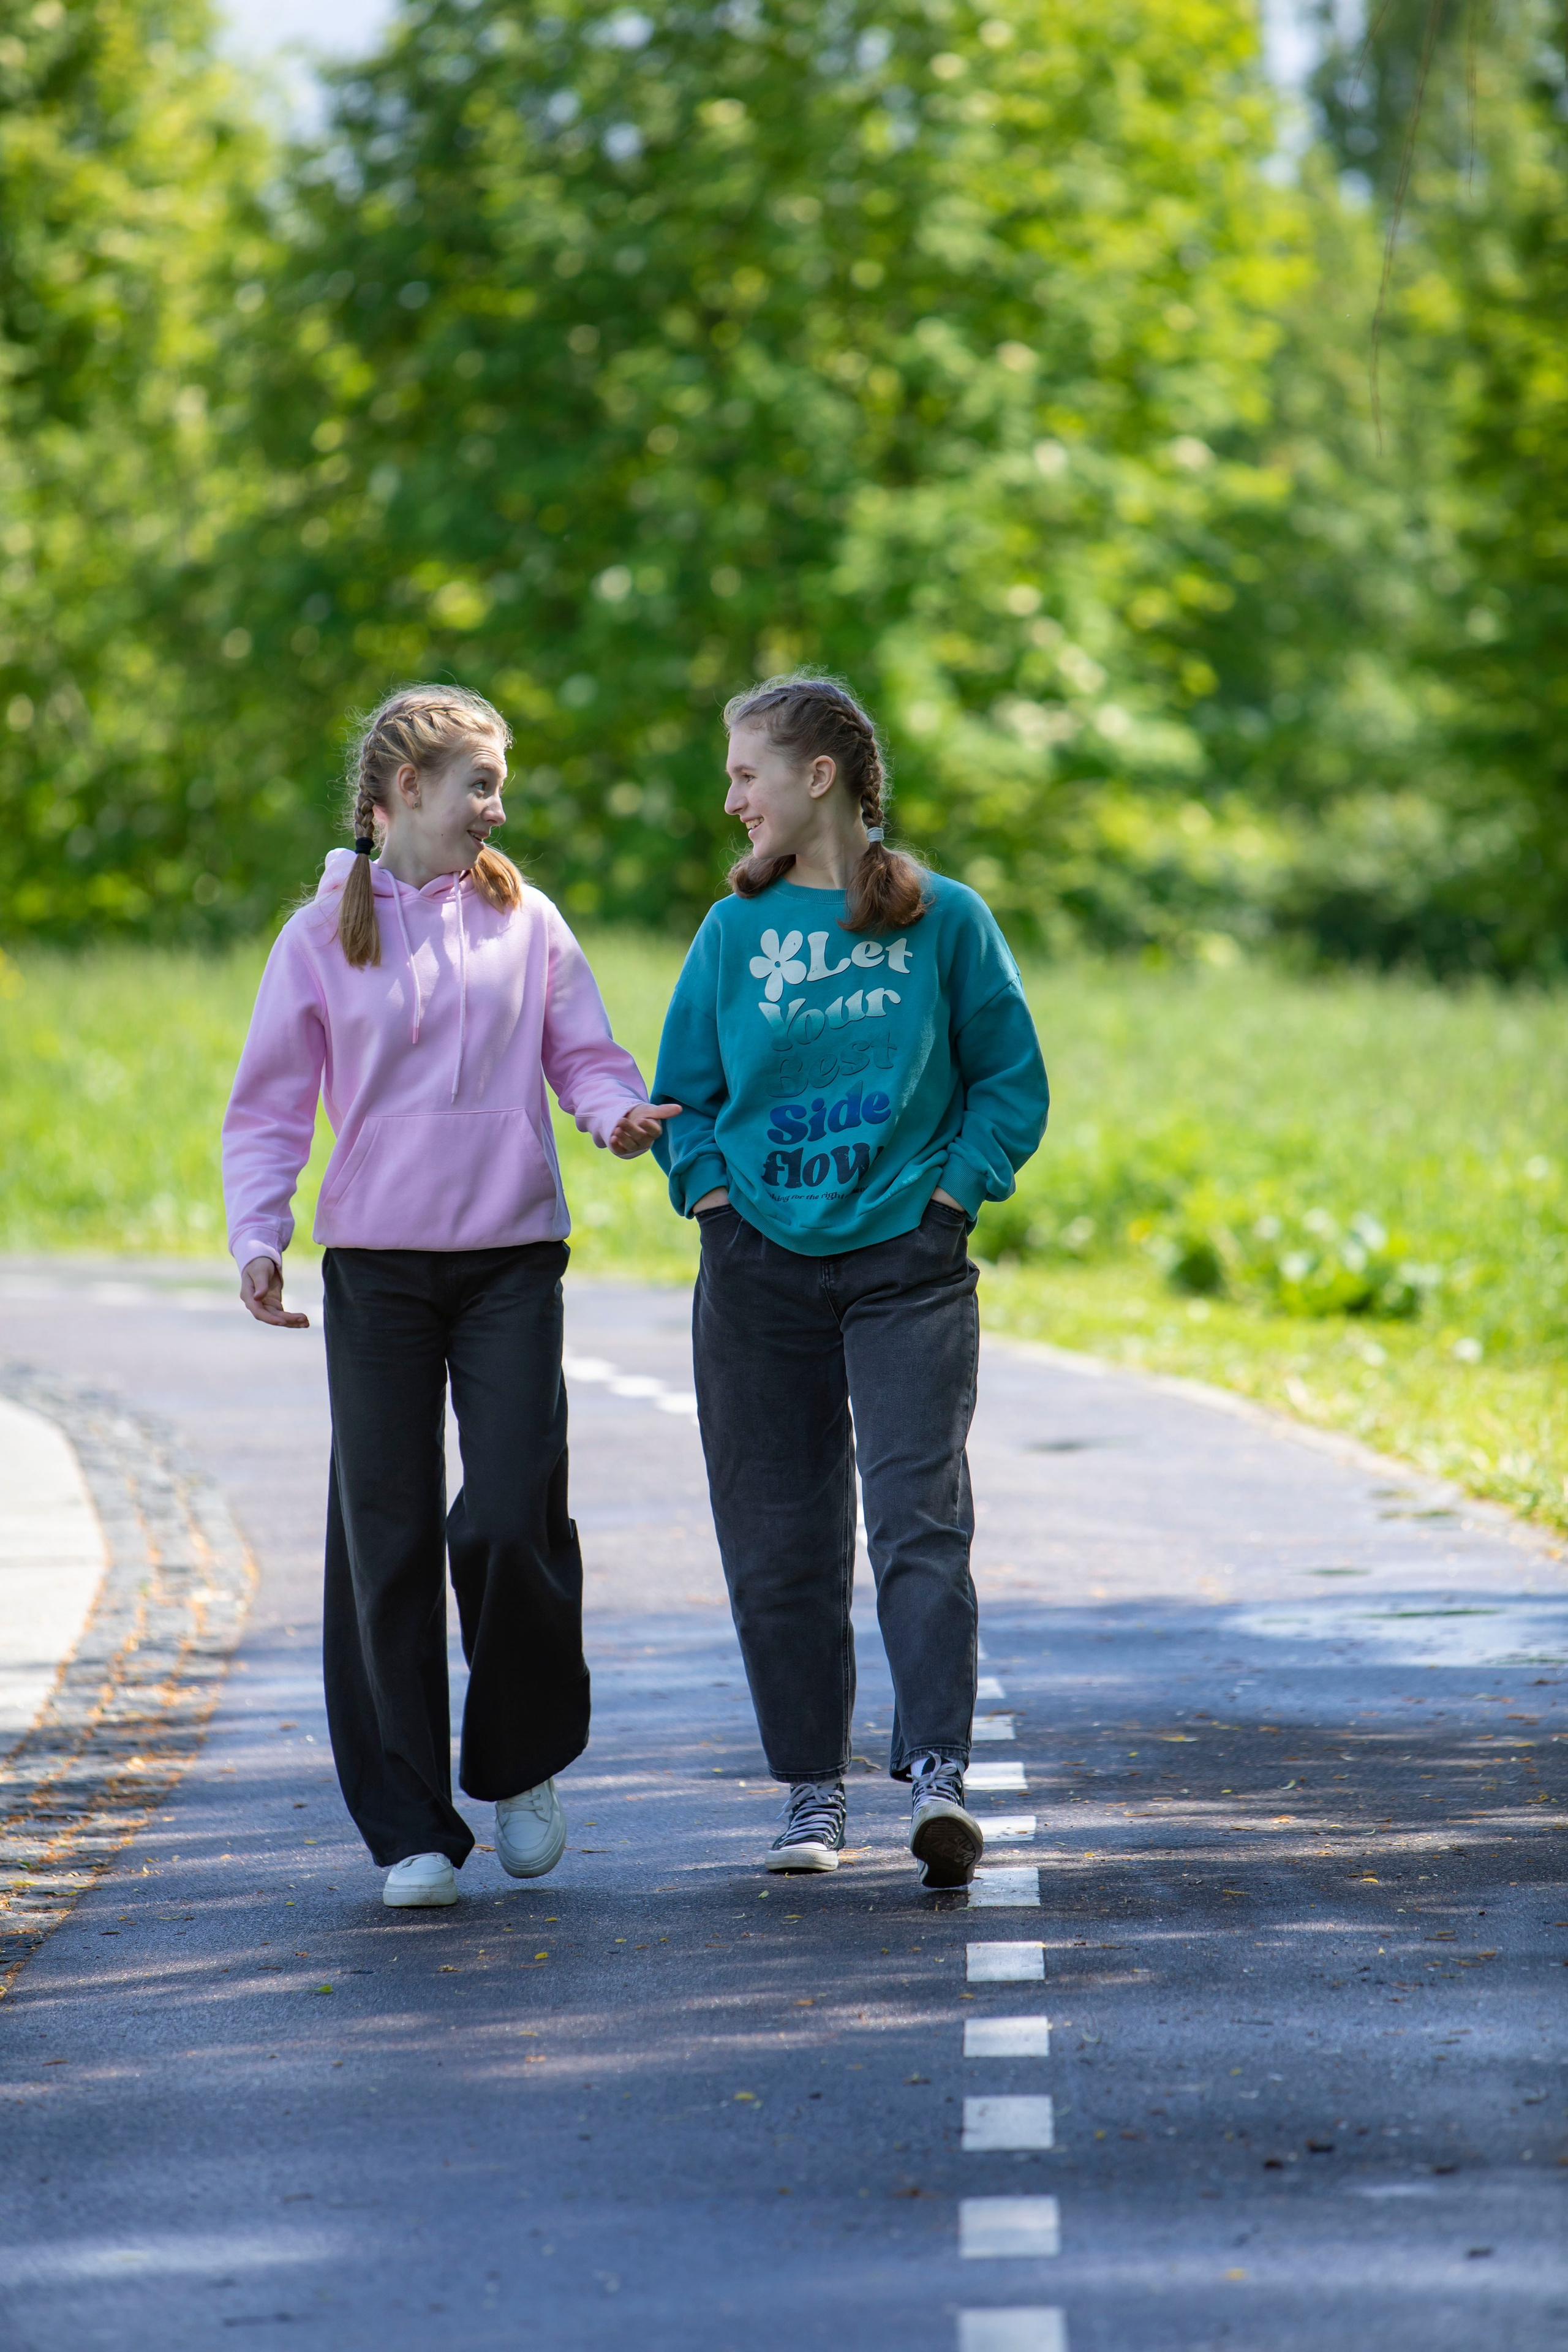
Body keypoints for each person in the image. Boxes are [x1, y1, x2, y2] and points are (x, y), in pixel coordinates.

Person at [222, 685, 675, 1909]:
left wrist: (613, 1115)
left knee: (510, 1508)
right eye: (478, 782)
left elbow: (581, 1054)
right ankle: (410, 1826)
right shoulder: (320, 933)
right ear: (401, 796)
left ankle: (518, 1762)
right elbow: (268, 1103)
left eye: (499, 781)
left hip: (510, 1260)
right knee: (387, 1536)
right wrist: (258, 1233)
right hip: (375, 1268)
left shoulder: (526, 918)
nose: (497, 804)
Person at [651, 674, 1048, 1889]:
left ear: (815, 778)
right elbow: (684, 1097)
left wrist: (951, 1193)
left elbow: (1009, 1083)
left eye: (743, 775)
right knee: (777, 1535)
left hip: (904, 1269)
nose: (730, 800)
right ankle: (810, 1796)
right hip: (758, 1268)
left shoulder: (945, 921)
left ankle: (935, 1778)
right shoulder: (731, 936)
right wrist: (710, 1197)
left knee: (918, 1520)